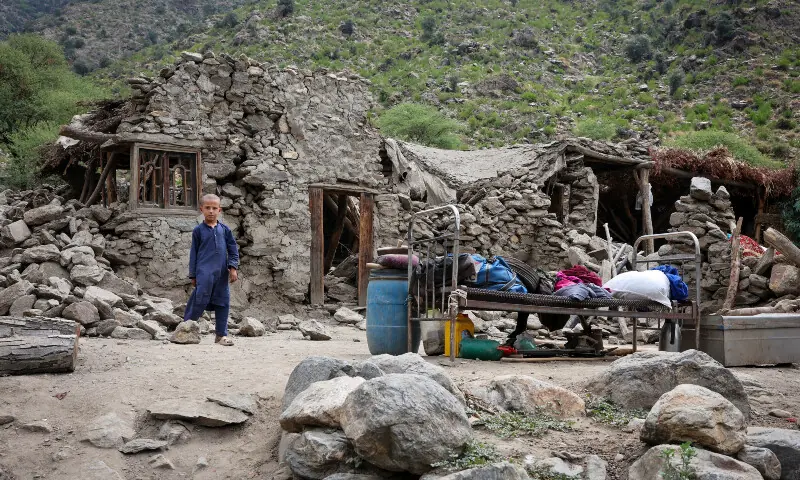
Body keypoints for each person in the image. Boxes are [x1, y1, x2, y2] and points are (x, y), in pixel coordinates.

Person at [184, 194, 240, 346]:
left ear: (219, 210)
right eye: (207, 208)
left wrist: (233, 268)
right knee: (198, 300)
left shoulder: (225, 230)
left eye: (214, 208)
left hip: (221, 274)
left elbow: (233, 250)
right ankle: (185, 330)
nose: (211, 211)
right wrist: (193, 275)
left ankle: (221, 335)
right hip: (204, 273)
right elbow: (193, 254)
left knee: (223, 302)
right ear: (201, 209)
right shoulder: (198, 231)